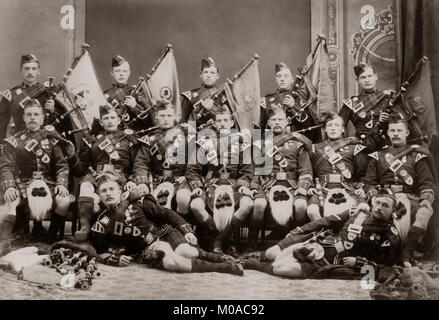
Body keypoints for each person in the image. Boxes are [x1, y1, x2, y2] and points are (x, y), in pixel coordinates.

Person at [90, 172, 244, 276]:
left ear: (120, 190)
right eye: (104, 191)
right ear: (99, 195)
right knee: (171, 262)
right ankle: (225, 268)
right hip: (148, 249)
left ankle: (222, 258)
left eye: (112, 189)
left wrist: (187, 231)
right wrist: (115, 260)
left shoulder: (139, 202)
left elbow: (167, 213)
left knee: (185, 251)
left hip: (165, 233)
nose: (108, 193)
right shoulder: (102, 222)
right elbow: (99, 251)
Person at [241, 189, 401, 279]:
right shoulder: (356, 212)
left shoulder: (391, 236)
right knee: (271, 253)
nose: (379, 207)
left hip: (332, 263)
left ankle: (252, 264)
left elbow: (385, 267)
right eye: (377, 203)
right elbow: (326, 221)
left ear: (392, 211)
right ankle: (254, 257)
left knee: (283, 270)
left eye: (385, 205)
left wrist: (359, 263)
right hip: (319, 243)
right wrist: (300, 230)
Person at [363, 114, 435, 266]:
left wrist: (425, 201)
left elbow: (427, 184)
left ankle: (407, 253)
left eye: (399, 131)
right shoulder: (378, 156)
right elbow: (369, 183)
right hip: (385, 198)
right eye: (392, 130)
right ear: (388, 133)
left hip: (410, 198)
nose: (395, 134)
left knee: (424, 212)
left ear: (407, 133)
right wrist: (375, 198)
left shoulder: (416, 156)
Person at [64, 104, 139, 241]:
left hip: (120, 177)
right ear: (101, 122)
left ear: (118, 120)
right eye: (106, 118)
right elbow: (80, 170)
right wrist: (72, 154)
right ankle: (85, 229)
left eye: (112, 117)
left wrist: (132, 180)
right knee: (85, 186)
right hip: (96, 176)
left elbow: (137, 164)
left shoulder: (129, 138)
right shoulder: (91, 140)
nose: (109, 121)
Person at [186, 104, 253, 254]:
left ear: (231, 123)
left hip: (234, 185)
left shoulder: (241, 144)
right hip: (211, 184)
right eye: (219, 121)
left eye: (225, 120)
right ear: (214, 124)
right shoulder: (205, 143)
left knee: (247, 204)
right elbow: (192, 169)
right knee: (196, 205)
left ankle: (219, 240)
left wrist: (243, 185)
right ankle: (221, 238)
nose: (222, 123)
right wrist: (196, 186)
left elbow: (247, 170)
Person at [0, 99, 70, 243]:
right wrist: (9, 187)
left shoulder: (52, 138)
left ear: (42, 118)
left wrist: (61, 184)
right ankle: (4, 243)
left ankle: (51, 237)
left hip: (48, 182)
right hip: (24, 181)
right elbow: (6, 166)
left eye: (36, 114)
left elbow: (61, 165)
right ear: (24, 118)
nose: (32, 117)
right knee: (10, 200)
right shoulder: (15, 141)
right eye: (29, 114)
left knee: (63, 201)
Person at [249, 106, 313, 246]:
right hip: (268, 184)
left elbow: (305, 170)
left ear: (287, 122)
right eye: (273, 120)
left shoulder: (298, 144)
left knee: (301, 205)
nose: (277, 122)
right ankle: (251, 245)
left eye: (280, 119)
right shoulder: (261, 144)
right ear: (269, 123)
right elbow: (256, 169)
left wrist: (302, 187)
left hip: (292, 184)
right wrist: (254, 186)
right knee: (259, 204)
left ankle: (295, 241)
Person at [133, 101, 192, 216]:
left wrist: (187, 177)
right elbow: (141, 163)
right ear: (156, 117)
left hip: (182, 179)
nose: (166, 119)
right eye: (162, 116)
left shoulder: (186, 134)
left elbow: (194, 160)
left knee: (183, 199)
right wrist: (143, 182)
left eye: (169, 115)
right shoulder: (150, 139)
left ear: (175, 116)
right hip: (158, 180)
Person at [306, 112, 368, 221]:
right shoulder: (315, 148)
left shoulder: (354, 147)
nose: (333, 128)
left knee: (364, 207)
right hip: (323, 188)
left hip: (347, 187)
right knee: (312, 210)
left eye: (337, 125)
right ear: (325, 129)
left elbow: (362, 173)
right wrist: (311, 186)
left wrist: (362, 187)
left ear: (343, 129)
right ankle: (323, 235)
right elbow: (309, 171)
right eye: (330, 125)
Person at [339, 63, 401, 152]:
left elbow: (401, 122)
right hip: (362, 145)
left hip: (385, 145)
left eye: (369, 76)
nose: (367, 80)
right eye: (363, 77)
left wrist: (389, 119)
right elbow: (339, 125)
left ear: (376, 77)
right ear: (357, 81)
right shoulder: (351, 103)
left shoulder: (389, 97)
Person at [0, 54, 57, 143]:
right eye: (26, 68)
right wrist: (2, 147)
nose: (30, 72)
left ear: (38, 71)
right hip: (20, 143)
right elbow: (1, 125)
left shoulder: (48, 92)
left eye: (34, 69)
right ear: (21, 70)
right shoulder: (10, 95)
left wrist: (52, 111)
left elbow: (58, 122)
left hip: (44, 142)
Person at [92, 55, 151, 134]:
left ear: (129, 73)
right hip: (111, 138)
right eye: (117, 71)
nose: (121, 74)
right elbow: (97, 123)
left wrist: (135, 106)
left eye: (124, 71)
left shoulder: (137, 93)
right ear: (112, 73)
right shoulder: (104, 96)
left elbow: (149, 123)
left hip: (133, 137)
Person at [262, 63, 320, 142]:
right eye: (279, 76)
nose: (282, 79)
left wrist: (294, 107)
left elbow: (310, 126)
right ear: (276, 79)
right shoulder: (267, 100)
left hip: (296, 145)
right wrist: (257, 152)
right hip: (271, 144)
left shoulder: (300, 100)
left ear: (292, 80)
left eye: (286, 76)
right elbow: (259, 128)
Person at [180, 57, 220, 128]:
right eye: (206, 72)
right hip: (194, 137)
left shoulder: (222, 95)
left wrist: (212, 109)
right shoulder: (190, 96)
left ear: (217, 76)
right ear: (201, 74)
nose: (208, 76)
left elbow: (229, 122)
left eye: (212, 73)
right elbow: (182, 122)